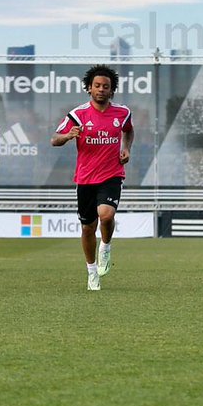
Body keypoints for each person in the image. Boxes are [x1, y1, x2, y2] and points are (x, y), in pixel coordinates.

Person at [51, 64, 134, 291]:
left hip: (112, 174)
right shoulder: (77, 114)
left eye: (105, 86)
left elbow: (128, 130)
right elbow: (54, 140)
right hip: (86, 179)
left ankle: (105, 247)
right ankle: (91, 272)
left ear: (111, 90)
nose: (101, 90)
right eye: (97, 85)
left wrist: (126, 148)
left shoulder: (122, 113)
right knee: (88, 228)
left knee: (106, 215)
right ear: (89, 88)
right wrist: (68, 135)